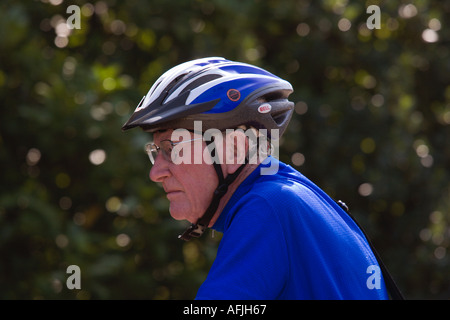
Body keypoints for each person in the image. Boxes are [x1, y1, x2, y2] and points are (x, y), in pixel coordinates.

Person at [122, 57, 392, 299]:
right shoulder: (289, 195)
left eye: (171, 149)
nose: (156, 172)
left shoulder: (267, 207)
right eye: (156, 152)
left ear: (235, 147)